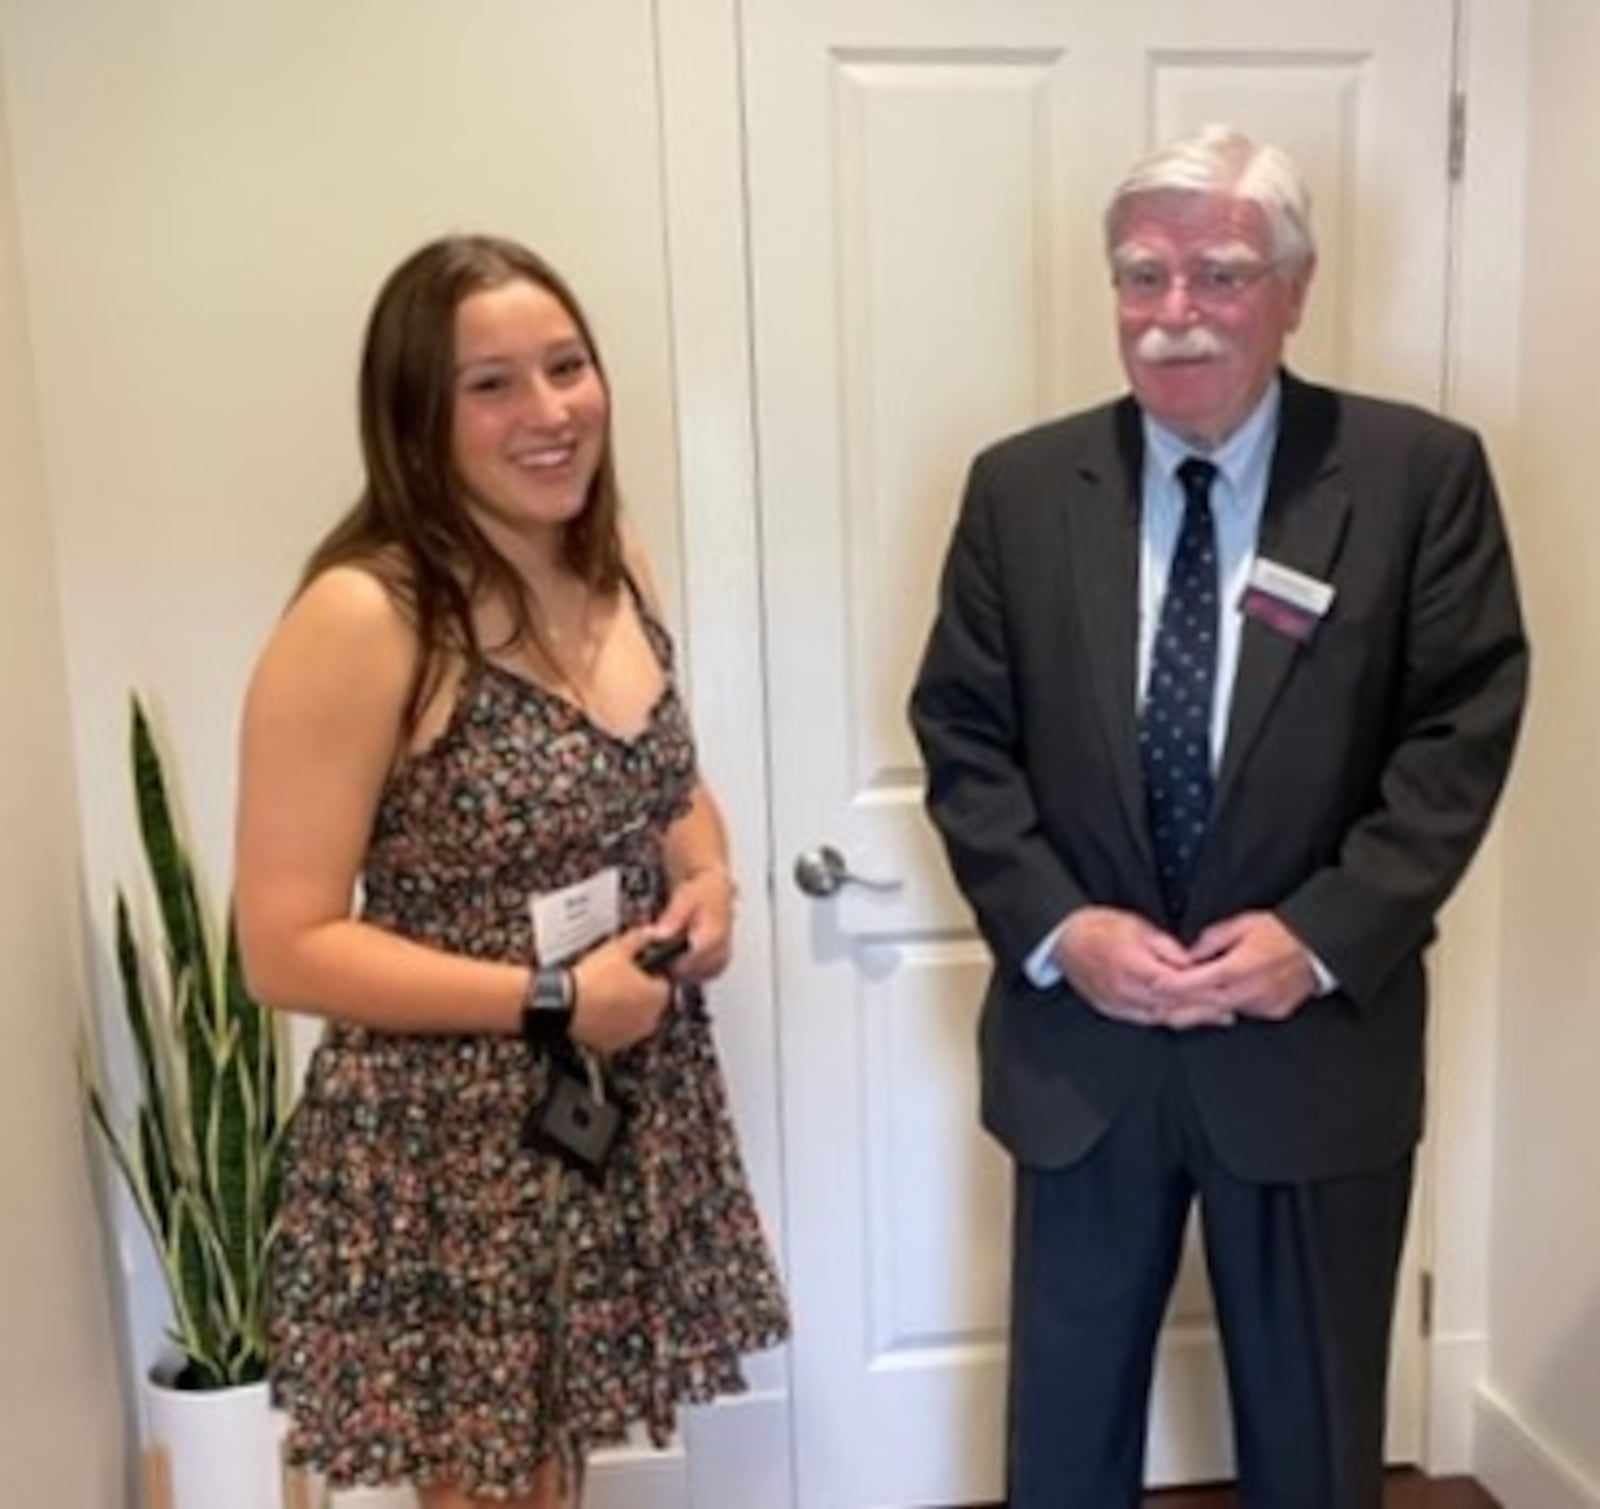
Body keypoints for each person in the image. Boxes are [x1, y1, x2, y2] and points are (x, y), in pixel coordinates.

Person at [909, 125, 1527, 1508]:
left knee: (1314, 1452)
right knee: (1064, 1450)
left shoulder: (1419, 478)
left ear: (1295, 290)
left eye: (1220, 275)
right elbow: (961, 735)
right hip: (1087, 1053)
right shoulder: (1019, 491)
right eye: (1142, 276)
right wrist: (1066, 927)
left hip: (1313, 1049)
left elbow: (1458, 736)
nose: (1174, 314)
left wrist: (1316, 936)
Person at [235, 234, 789, 1509]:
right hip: (447, 1136)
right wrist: (549, 1000)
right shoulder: (367, 617)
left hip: (608, 1098)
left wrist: (707, 881)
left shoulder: (607, 565)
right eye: (491, 385)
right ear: (416, 417)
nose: (548, 413)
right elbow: (286, 943)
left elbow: (663, 780)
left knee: (556, 1470)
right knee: (486, 1489)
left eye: (565, 366)